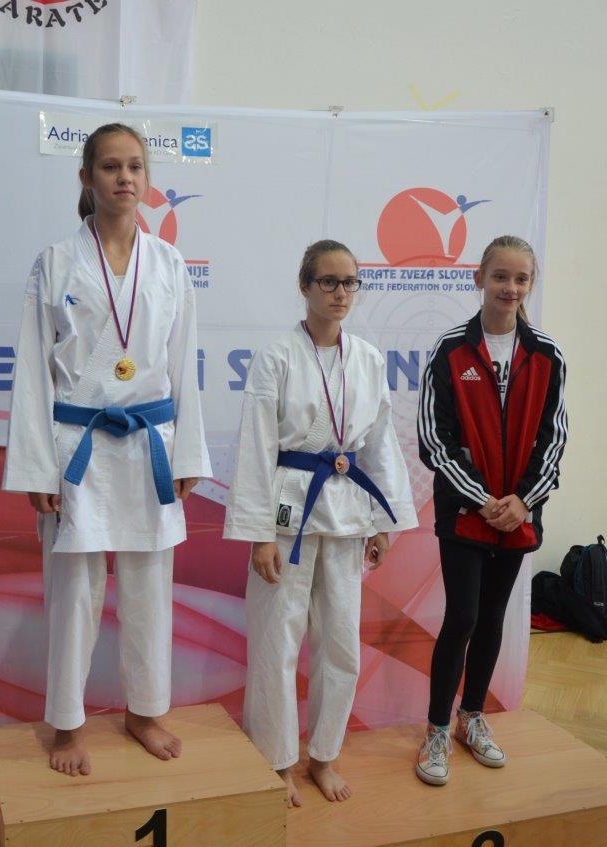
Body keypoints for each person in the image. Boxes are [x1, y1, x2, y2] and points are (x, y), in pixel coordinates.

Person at [3, 123, 210, 777]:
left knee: (150, 589)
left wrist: (188, 454)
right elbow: (33, 369)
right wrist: (36, 466)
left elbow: (183, 364)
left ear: (147, 179)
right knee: (73, 594)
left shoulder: (170, 263)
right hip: (78, 447)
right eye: (112, 166)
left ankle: (144, 711)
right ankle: (66, 724)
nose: (125, 177)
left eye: (135, 166)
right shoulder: (56, 261)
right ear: (86, 177)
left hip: (149, 443)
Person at [224, 239, 416, 807]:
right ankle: (278, 759)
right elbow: (257, 445)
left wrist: (383, 520)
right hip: (288, 513)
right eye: (328, 282)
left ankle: (324, 755)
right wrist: (259, 533)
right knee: (276, 642)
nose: (340, 293)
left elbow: (380, 442)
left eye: (349, 282)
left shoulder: (368, 358)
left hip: (348, 512)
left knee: (340, 646)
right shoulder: (277, 356)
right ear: (304, 286)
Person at [415, 234, 567, 787]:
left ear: (531, 284)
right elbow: (434, 440)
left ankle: (471, 717)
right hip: (465, 513)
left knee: (493, 618)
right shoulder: (450, 350)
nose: (510, 288)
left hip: (518, 515)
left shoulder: (547, 355)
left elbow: (554, 438)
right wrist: (482, 499)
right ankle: (436, 728)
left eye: (521, 278)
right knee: (462, 617)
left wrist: (523, 500)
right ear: (479, 278)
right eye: (500, 276)